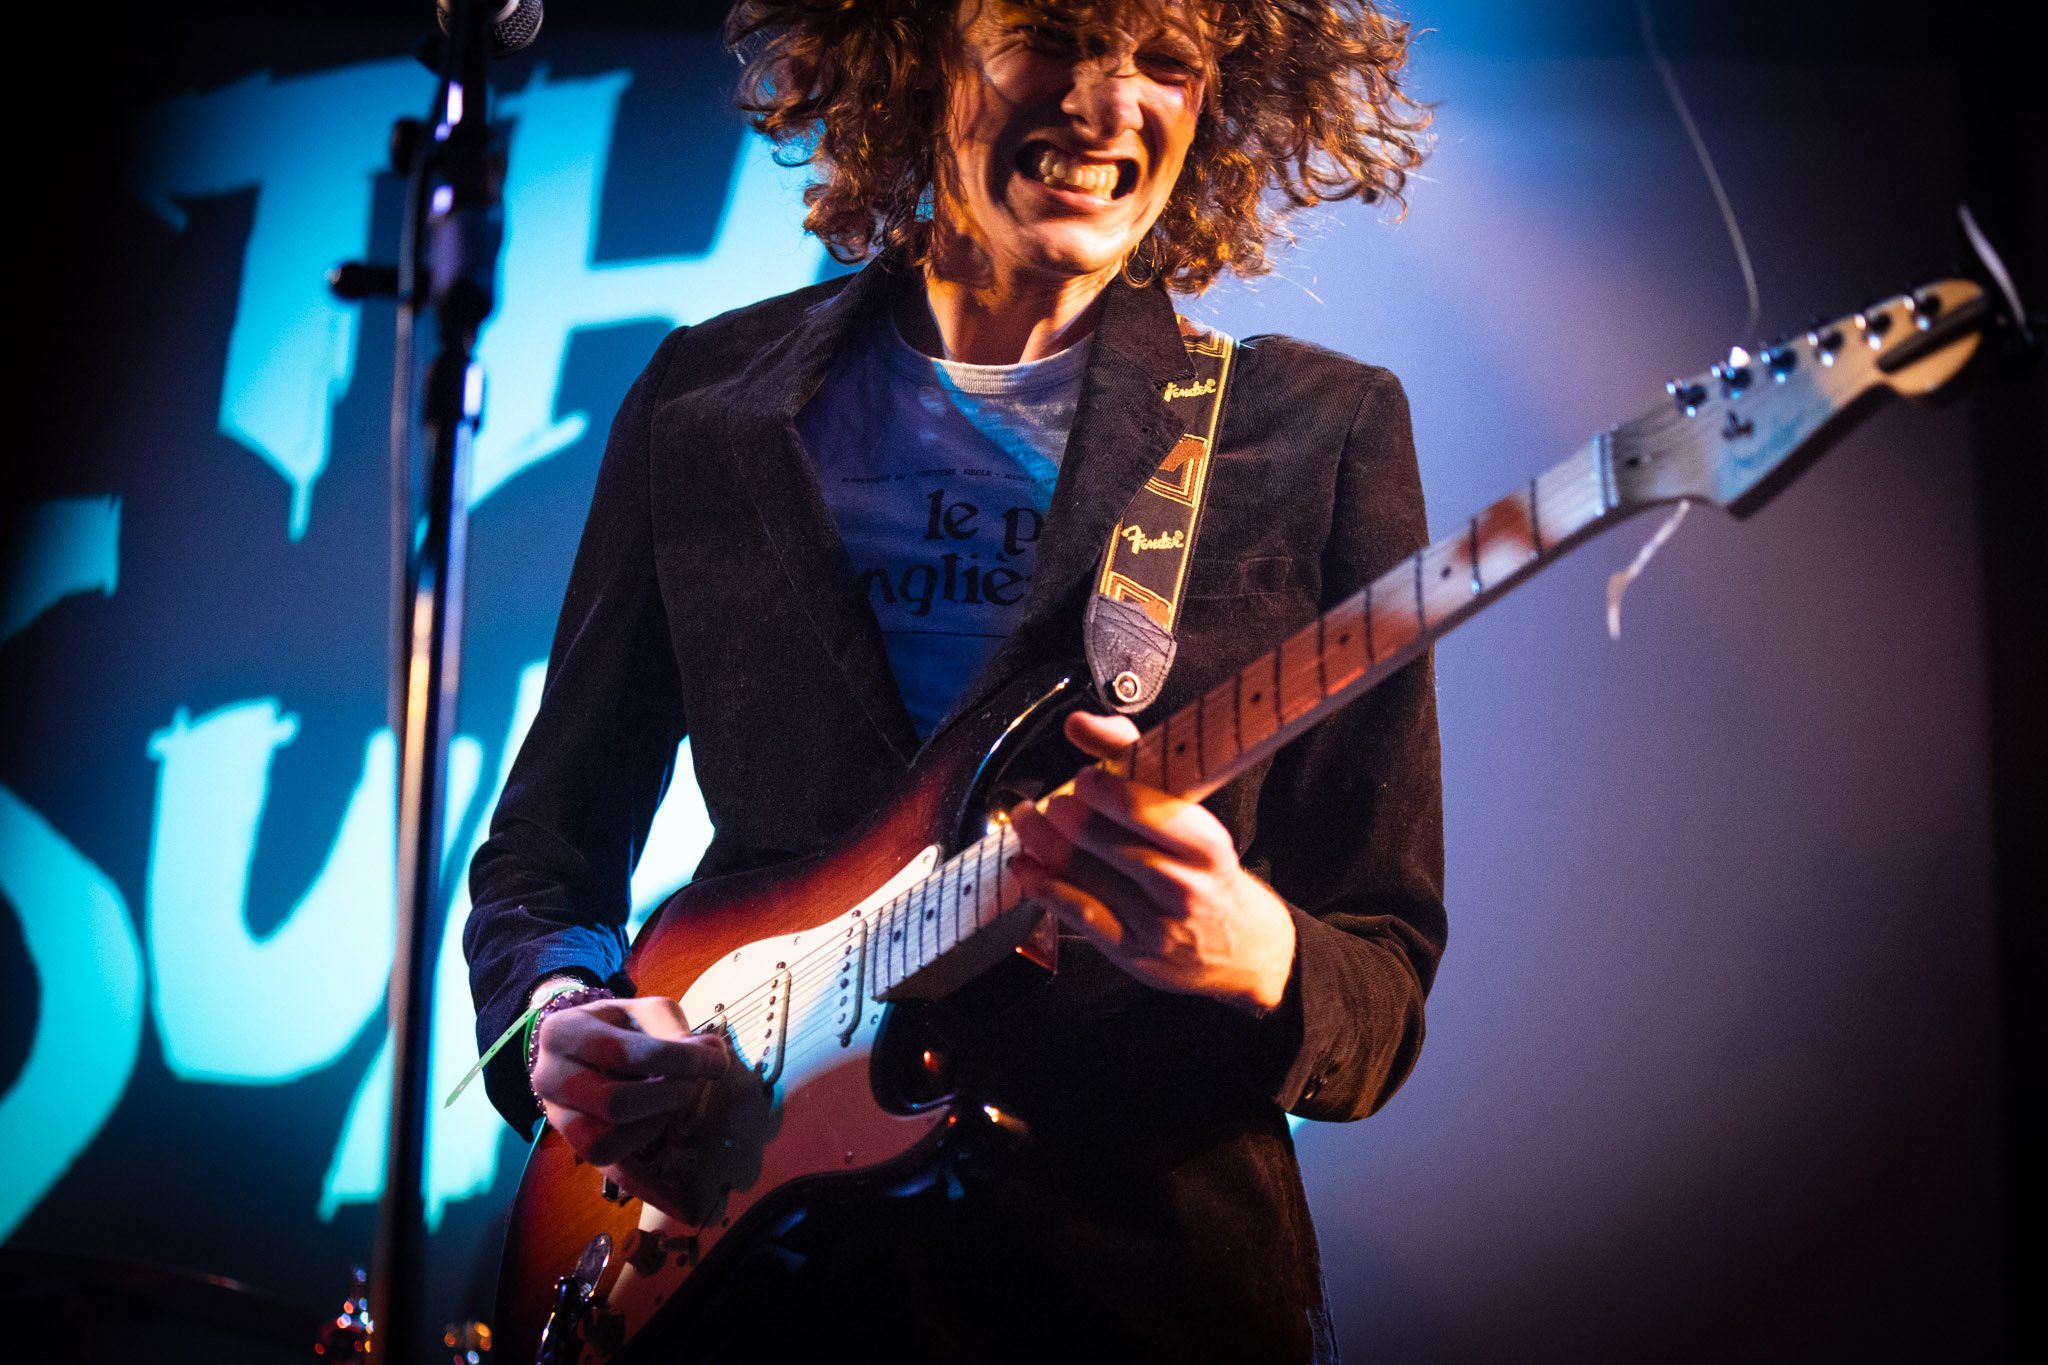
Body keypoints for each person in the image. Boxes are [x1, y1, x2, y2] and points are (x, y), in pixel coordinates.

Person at [465, 1, 1443, 1359]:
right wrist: (565, 1024)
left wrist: (1254, 947)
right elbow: (546, 852)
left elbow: (1381, 969)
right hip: (743, 1283)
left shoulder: (1316, 433)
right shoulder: (705, 399)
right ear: (912, 46)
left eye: (1166, 59)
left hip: (1130, 1292)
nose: (1110, 106)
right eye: (1051, 32)